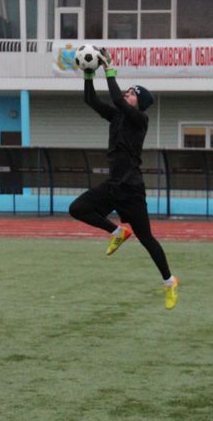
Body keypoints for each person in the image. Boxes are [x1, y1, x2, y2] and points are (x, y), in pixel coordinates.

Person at [69, 49, 179, 310]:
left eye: (131, 94)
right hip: (114, 185)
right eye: (127, 91)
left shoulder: (140, 119)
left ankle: (169, 282)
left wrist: (108, 70)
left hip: (131, 189)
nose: (126, 95)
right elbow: (91, 100)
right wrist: (88, 74)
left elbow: (117, 99)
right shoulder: (118, 115)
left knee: (148, 240)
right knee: (77, 208)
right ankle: (118, 231)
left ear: (138, 103)